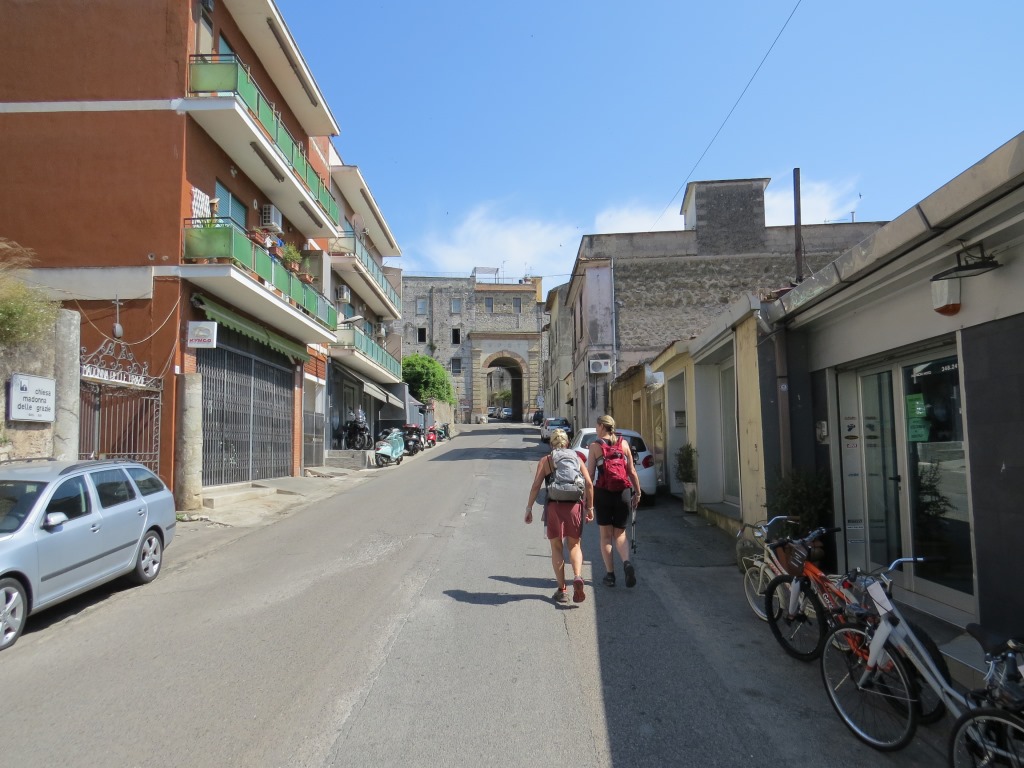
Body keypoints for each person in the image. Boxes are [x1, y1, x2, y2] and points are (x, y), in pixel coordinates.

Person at [525, 428, 595, 603]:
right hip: (574, 506)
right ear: (568, 443)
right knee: (575, 545)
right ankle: (577, 576)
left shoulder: (547, 460)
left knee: (556, 547)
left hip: (554, 506)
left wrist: (529, 508)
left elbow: (536, 486)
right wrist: (590, 508)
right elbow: (588, 483)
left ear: (551, 444)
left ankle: (562, 589)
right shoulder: (576, 458)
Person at [587, 414, 642, 588]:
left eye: (597, 426)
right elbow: (631, 471)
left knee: (605, 536)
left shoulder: (595, 446)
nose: (596, 429)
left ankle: (610, 575)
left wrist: (587, 500)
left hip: (603, 493)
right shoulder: (624, 444)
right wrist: (638, 492)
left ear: (602, 427)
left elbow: (590, 475)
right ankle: (626, 562)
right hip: (623, 493)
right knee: (620, 534)